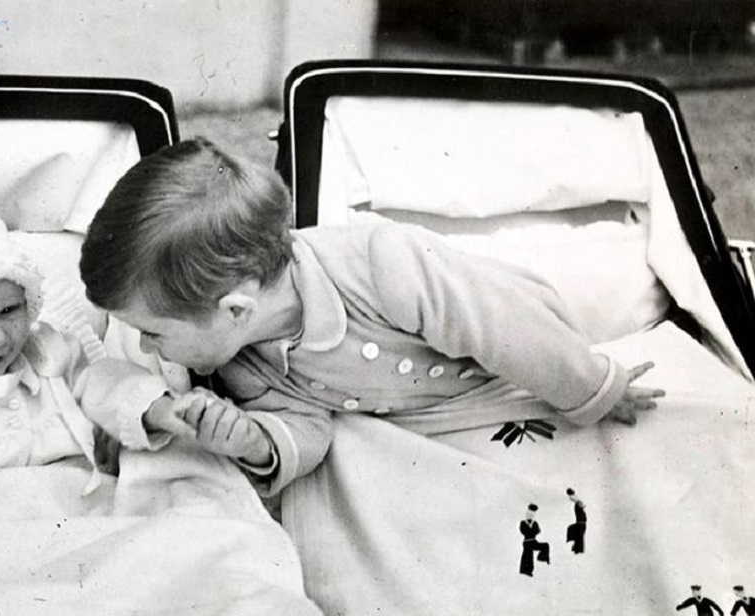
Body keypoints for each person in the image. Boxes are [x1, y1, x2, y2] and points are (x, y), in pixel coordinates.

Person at [79, 137, 665, 497]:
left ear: (235, 309)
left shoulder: (382, 263)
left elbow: (507, 326)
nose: (148, 349)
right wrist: (255, 442)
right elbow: (306, 426)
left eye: (153, 333)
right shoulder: (243, 364)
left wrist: (592, 387)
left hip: (533, 335)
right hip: (451, 407)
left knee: (616, 305)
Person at [0, 187, 198, 576]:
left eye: (9, 310)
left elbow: (100, 382)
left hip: (76, 521)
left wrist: (153, 409)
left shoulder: (45, 351)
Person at [519, 504, 550, 577]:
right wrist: (532, 531)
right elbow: (525, 531)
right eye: (529, 514)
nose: (530, 515)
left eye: (532, 514)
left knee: (545, 545)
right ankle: (526, 570)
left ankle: (541, 558)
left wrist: (531, 531)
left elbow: (537, 531)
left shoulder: (534, 523)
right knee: (528, 555)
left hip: (532, 541)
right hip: (527, 541)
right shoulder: (523, 522)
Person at [565, 488, 587, 554]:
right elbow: (579, 502)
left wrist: (573, 496)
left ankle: (578, 549)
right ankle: (577, 549)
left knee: (579, 536)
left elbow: (581, 503)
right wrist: (573, 496)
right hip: (580, 523)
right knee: (579, 535)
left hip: (581, 524)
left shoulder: (578, 505)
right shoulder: (577, 505)